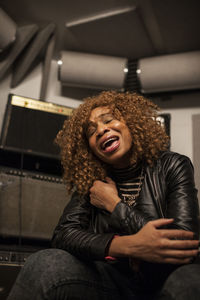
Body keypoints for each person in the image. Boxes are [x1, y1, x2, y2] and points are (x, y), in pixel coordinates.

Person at [8, 91, 199, 300]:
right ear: (89, 149)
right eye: (91, 132)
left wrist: (115, 205)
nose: (101, 130)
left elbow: (183, 244)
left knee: (191, 280)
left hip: (166, 281)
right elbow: (64, 235)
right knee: (45, 264)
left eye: (109, 120)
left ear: (132, 123)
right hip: (113, 284)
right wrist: (127, 246)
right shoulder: (93, 181)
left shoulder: (172, 165)